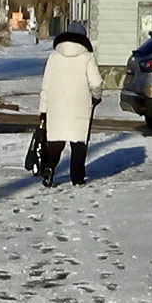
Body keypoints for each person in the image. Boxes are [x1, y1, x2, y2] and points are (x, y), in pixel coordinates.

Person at [38, 22, 103, 187]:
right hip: (80, 106)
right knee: (78, 145)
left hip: (56, 106)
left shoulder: (54, 56)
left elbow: (45, 85)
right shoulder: (87, 57)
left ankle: (49, 169)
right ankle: (77, 178)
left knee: (55, 143)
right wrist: (95, 97)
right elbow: (96, 83)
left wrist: (43, 111)